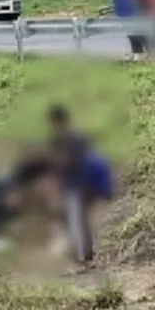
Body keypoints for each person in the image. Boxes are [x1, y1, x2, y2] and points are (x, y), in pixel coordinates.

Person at [46, 105, 113, 271]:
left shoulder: (69, 139)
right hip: (77, 186)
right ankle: (84, 258)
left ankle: (83, 260)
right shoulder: (74, 137)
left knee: (76, 223)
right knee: (76, 223)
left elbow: (70, 163)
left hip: (77, 186)